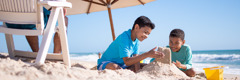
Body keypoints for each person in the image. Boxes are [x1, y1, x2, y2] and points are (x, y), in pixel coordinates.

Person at [97, 16, 165, 72]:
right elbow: (127, 61)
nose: (146, 36)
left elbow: (136, 59)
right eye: (145, 32)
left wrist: (138, 72)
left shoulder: (137, 40)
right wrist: (147, 54)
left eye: (148, 34)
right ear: (136, 27)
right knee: (114, 67)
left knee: (145, 66)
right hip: (106, 62)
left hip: (122, 65)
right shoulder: (124, 37)